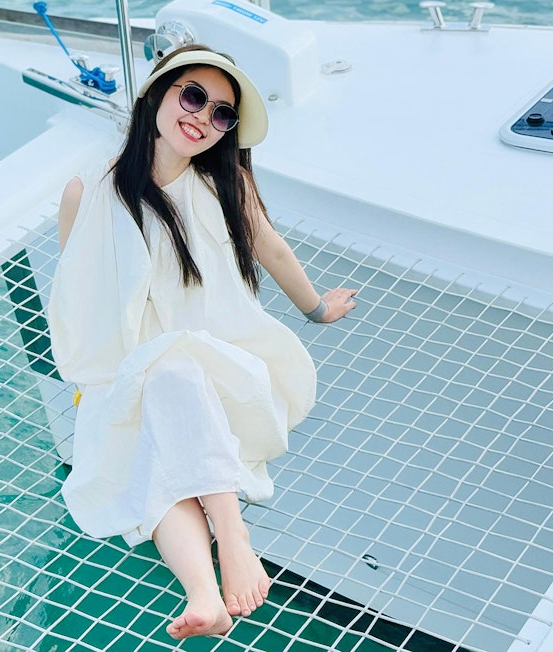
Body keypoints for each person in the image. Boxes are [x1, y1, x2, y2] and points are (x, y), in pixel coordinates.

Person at [47, 44, 356, 640]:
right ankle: (205, 594)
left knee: (175, 376)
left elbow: (274, 251)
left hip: (216, 364)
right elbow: (80, 299)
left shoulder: (224, 187)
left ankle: (232, 539)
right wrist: (92, 385)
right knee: (155, 452)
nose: (202, 117)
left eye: (221, 114)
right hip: (127, 375)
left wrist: (316, 309)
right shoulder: (87, 195)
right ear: (157, 95)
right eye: (192, 96)